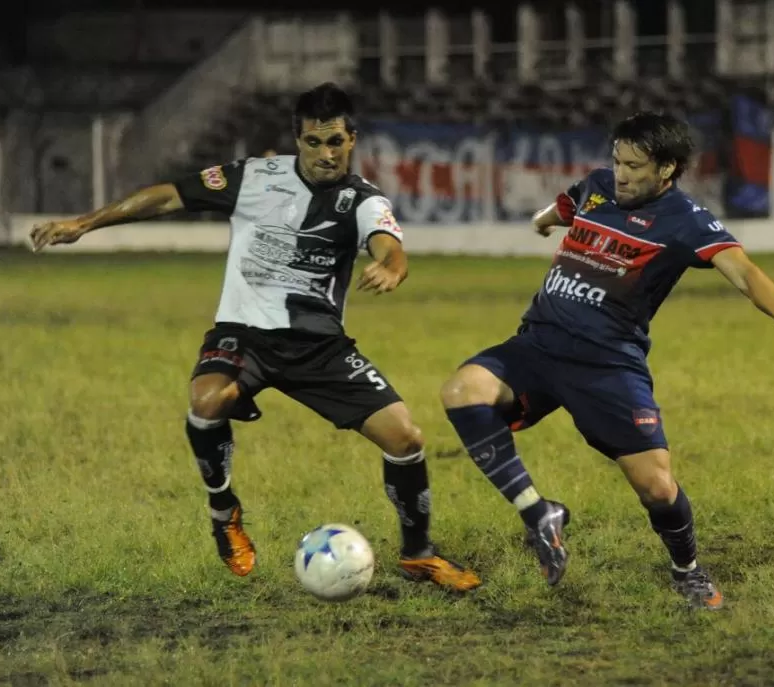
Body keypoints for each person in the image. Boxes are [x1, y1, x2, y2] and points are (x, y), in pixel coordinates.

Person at [30, 81, 481, 593]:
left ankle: (418, 554)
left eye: (335, 141)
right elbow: (169, 195)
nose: (325, 153)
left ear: (352, 139)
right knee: (205, 400)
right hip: (242, 335)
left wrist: (392, 266)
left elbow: (387, 244)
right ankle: (224, 510)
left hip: (318, 347)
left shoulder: (362, 199)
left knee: (406, 438)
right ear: (297, 140)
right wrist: (86, 223)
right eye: (313, 142)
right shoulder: (251, 176)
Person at [439, 111, 774, 609]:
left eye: (635, 166)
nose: (621, 174)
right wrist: (544, 219)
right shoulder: (599, 186)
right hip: (538, 345)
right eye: (618, 161)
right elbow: (567, 204)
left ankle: (687, 569)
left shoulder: (685, 220)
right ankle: (540, 514)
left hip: (607, 365)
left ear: (667, 170)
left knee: (657, 487)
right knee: (461, 392)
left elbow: (745, 272)